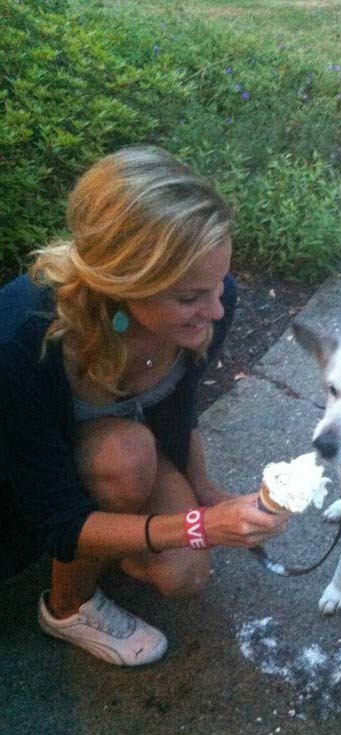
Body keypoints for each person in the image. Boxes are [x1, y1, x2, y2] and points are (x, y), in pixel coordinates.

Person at [0, 146, 289, 666]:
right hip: (22, 488)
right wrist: (202, 524)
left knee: (185, 574)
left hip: (106, 449)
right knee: (125, 460)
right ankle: (67, 605)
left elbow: (179, 406)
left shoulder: (208, 305)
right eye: (190, 297)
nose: (218, 310)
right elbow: (56, 520)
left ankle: (115, 527)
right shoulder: (24, 344)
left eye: (219, 284)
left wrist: (204, 491)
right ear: (122, 282)